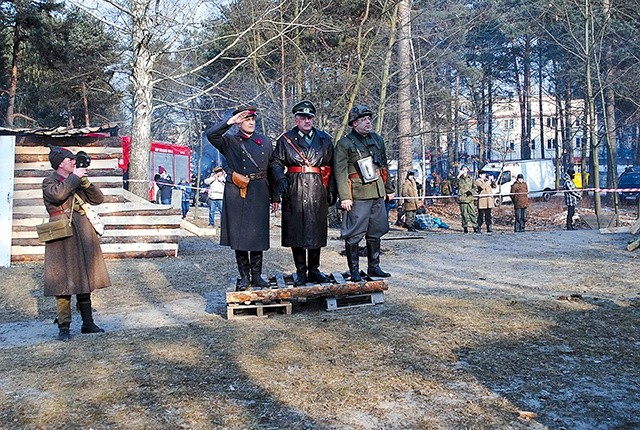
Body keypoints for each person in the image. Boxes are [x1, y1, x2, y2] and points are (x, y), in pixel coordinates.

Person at [43, 147, 110, 341]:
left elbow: (98, 199)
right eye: (69, 159)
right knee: (62, 282)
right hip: (62, 236)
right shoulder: (49, 181)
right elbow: (57, 195)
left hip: (82, 233)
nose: (74, 162)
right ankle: (64, 327)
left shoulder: (76, 180)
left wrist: (86, 182)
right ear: (59, 163)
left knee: (84, 279)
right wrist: (75, 179)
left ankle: (88, 323)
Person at [205, 106, 274, 290]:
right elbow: (211, 135)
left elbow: (272, 168)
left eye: (252, 119)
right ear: (239, 122)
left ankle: (257, 275)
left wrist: (275, 196)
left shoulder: (265, 141)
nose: (251, 122)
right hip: (236, 190)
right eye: (246, 119)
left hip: (259, 190)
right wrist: (230, 121)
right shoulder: (229, 141)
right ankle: (244, 276)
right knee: (240, 235)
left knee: (258, 235)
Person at [270, 100, 336, 286]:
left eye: (310, 117)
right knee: (296, 230)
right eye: (303, 117)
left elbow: (331, 167)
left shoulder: (324, 139)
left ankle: (314, 269)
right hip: (294, 188)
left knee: (316, 229)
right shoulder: (285, 139)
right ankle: (300, 270)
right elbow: (275, 162)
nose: (307, 121)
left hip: (317, 188)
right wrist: (280, 179)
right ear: (296, 119)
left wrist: (331, 190)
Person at [334, 104, 395, 282]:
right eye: (363, 120)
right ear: (354, 123)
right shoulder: (344, 144)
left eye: (369, 119)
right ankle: (354, 270)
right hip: (358, 194)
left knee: (376, 231)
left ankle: (374, 267)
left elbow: (383, 166)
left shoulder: (377, 139)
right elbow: (340, 171)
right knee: (354, 233)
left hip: (377, 191)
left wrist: (389, 189)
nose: (368, 122)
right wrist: (345, 196)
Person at [457, 165, 479, 233]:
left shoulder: (471, 178)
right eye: (463, 169)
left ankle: (475, 227)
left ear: (467, 170)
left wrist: (471, 192)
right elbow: (454, 185)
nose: (464, 170)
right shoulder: (459, 178)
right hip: (462, 199)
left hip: (469, 198)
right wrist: (458, 176)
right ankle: (465, 227)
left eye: (465, 169)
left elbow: (475, 187)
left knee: (472, 213)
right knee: (464, 214)